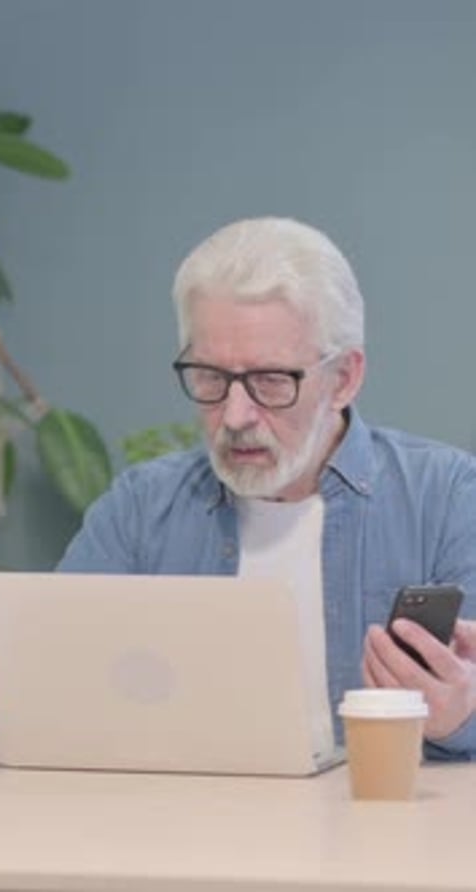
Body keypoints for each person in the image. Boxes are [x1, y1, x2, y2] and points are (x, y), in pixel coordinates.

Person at [57, 217, 476, 760]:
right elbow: (47, 687)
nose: (235, 415)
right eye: (209, 376)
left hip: (383, 836)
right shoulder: (140, 510)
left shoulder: (446, 499)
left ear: (344, 378)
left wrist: (460, 717)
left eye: (271, 381)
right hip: (177, 830)